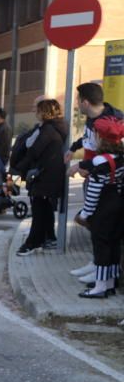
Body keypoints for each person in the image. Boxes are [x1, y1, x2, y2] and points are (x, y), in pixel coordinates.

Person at [74, 118, 124, 298]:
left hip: (102, 210)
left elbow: (93, 192)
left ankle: (100, 286)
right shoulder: (119, 158)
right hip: (118, 206)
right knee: (113, 245)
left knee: (101, 245)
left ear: (101, 139)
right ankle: (110, 281)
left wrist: (86, 213)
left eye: (94, 135)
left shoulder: (99, 162)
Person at [15, 100, 67, 256]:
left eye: (37, 110)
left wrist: (18, 168)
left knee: (39, 210)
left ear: (44, 112)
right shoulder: (55, 128)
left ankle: (33, 242)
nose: (35, 113)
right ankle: (49, 237)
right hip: (49, 175)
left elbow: (34, 152)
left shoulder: (48, 130)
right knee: (44, 209)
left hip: (44, 175)